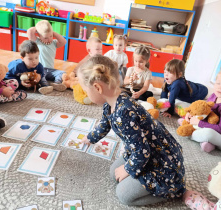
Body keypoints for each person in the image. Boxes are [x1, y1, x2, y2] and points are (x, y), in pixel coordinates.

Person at [79, 55, 186, 206]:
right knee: (113, 173)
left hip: (161, 163)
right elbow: (105, 124)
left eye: (86, 90)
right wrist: (90, 137)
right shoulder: (111, 103)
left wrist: (128, 169)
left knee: (123, 194)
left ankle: (172, 191)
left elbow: (143, 151)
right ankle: (138, 175)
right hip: (142, 152)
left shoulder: (124, 113)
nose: (86, 94)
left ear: (97, 87)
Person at [185, 66, 221, 153]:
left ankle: (189, 133)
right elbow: (205, 111)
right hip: (215, 129)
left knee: (208, 133)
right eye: (218, 83)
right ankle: (208, 144)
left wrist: (198, 123)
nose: (220, 87)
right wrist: (192, 114)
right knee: (198, 124)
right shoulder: (215, 95)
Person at [27, 20, 67, 91]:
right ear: (39, 35)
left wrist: (53, 33)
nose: (49, 39)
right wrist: (37, 29)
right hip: (41, 69)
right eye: (46, 38)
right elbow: (30, 31)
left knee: (62, 73)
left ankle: (56, 84)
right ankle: (45, 86)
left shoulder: (54, 43)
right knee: (40, 76)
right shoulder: (37, 42)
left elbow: (64, 41)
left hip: (51, 70)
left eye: (51, 36)